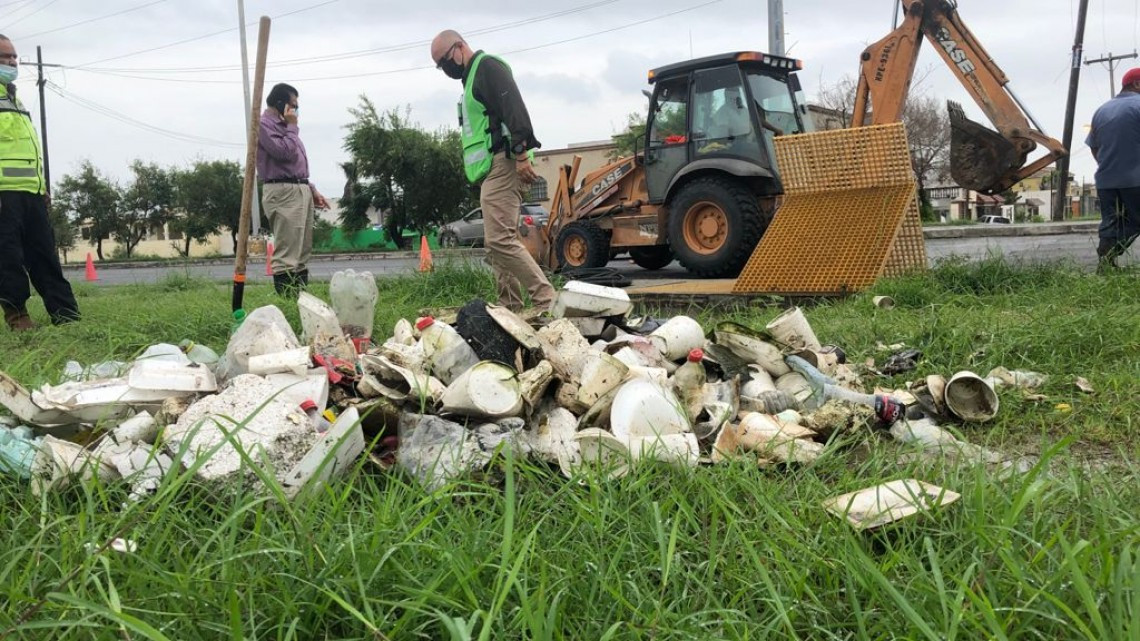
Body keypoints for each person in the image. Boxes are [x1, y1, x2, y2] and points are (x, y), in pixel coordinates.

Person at [430, 30, 555, 312]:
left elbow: (513, 108)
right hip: (493, 168)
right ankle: (510, 307)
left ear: (459, 47)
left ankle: (546, 300)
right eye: (440, 66)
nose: (445, 68)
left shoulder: (487, 67)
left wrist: (522, 153)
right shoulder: (471, 78)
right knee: (497, 244)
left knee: (499, 240)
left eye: (445, 60)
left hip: (506, 162)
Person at [0, 34, 79, 331]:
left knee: (45, 255)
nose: (11, 62)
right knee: (8, 257)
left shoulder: (14, 99)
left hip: (31, 192)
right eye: (4, 57)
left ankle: (67, 315)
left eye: (13, 57)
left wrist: (43, 186)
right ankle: (17, 316)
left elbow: (28, 150)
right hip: (4, 193)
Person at [257, 82, 330, 296]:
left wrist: (311, 188)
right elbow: (284, 153)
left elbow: (294, 167)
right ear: (281, 104)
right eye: (293, 106)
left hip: (299, 188)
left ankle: (301, 300)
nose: (296, 111)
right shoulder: (264, 125)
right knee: (288, 252)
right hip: (282, 192)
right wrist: (292, 126)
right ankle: (288, 302)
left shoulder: (285, 127)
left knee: (301, 251)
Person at [1085, 67, 1140, 271]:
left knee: (1111, 221)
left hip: (1106, 180)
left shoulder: (1102, 110)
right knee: (1135, 221)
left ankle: (1106, 262)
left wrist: (1107, 165)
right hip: (1135, 180)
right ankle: (1109, 253)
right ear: (1136, 84)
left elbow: (1093, 145)